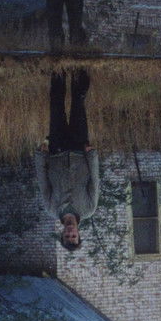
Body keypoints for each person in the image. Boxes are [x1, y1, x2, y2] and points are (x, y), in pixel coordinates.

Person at [34, 69, 99, 250]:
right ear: (79, 234)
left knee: (56, 104)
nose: (70, 232)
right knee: (78, 102)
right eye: (74, 236)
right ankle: (79, 66)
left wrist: (41, 156)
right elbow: (95, 180)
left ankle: (59, 68)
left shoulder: (51, 208)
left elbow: (43, 180)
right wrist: (92, 155)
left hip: (57, 150)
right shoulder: (89, 209)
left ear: (62, 234)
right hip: (79, 151)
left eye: (67, 236)